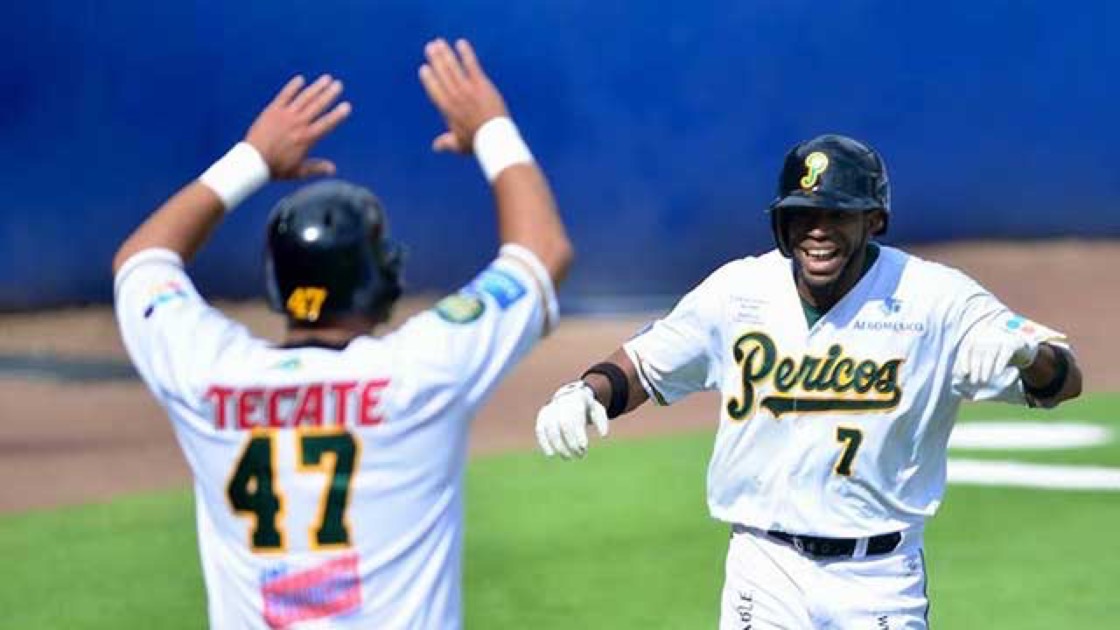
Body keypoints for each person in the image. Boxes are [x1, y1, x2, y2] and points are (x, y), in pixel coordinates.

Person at [534, 134, 1082, 629]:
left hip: (880, 575)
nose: (817, 230)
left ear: (874, 220)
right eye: (803, 215)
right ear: (782, 223)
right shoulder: (739, 291)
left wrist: (1029, 353)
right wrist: (586, 391)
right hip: (763, 568)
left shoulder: (937, 299)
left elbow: (1063, 379)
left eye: (836, 214)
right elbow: (644, 364)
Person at [113, 38, 572, 629]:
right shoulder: (419, 373)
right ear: (374, 278)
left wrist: (253, 158)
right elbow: (541, 252)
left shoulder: (206, 374)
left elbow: (142, 260)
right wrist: (492, 127)